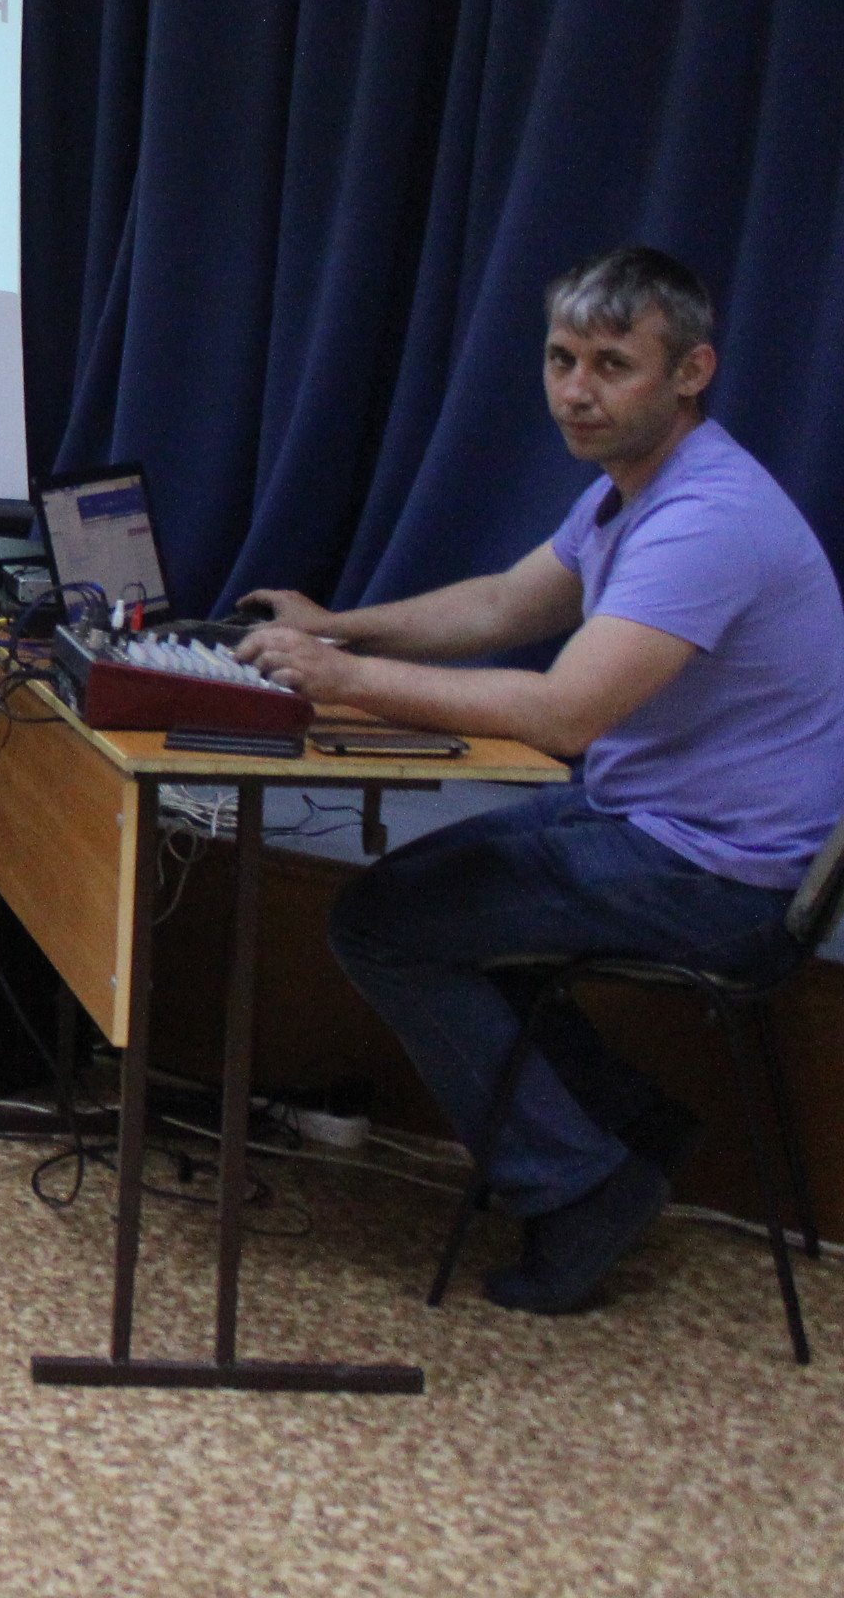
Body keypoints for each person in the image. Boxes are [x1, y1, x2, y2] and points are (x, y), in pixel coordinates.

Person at [237, 246, 844, 1314]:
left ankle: (580, 1182)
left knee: (385, 923)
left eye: (613, 364)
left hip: (721, 879)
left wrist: (345, 678)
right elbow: (502, 606)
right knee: (424, 911)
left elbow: (565, 713)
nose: (576, 390)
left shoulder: (707, 518)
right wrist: (339, 628)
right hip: (659, 825)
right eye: (562, 359)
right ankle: (628, 1131)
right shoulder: (630, 492)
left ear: (691, 371)